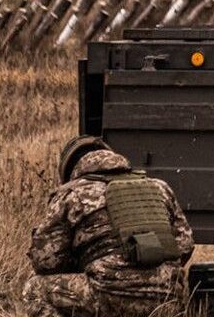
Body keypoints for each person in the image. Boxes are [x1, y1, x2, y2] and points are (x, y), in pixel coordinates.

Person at [23, 136, 193, 317]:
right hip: (168, 300)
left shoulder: (71, 194)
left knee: (34, 289)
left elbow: (45, 262)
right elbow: (184, 246)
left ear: (70, 168)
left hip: (109, 296)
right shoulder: (160, 188)